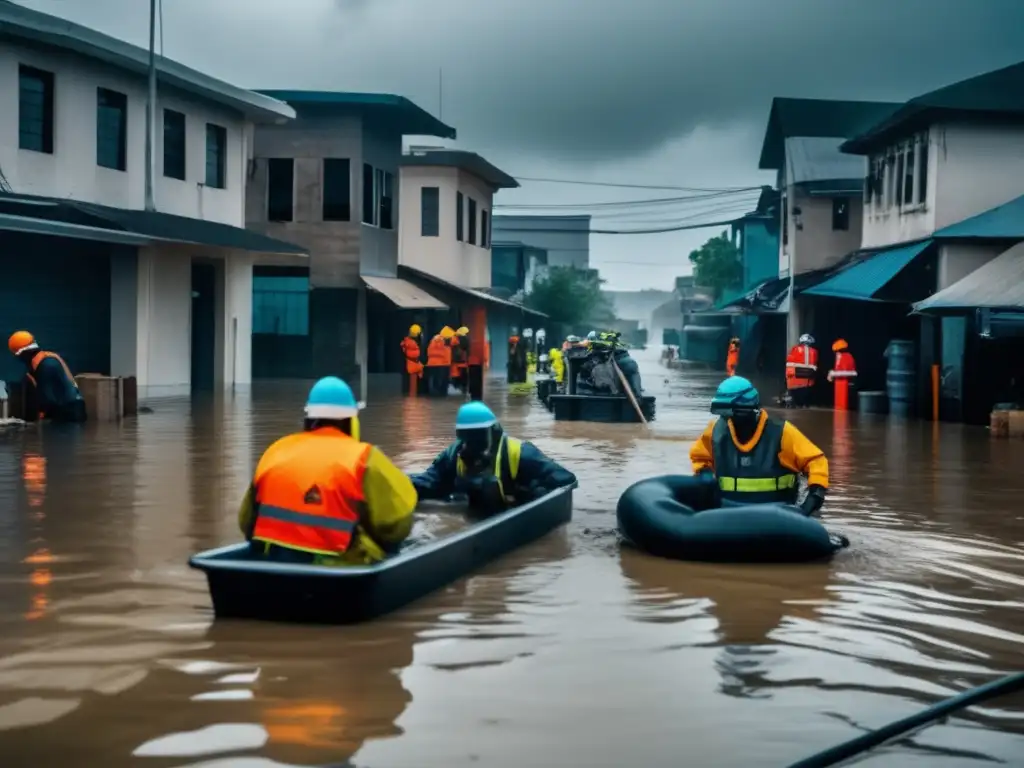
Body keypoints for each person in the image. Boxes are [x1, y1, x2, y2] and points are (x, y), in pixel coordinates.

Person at [238, 377, 417, 566]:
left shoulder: (275, 451)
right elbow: (398, 523)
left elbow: (246, 522)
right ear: (352, 421)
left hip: (273, 561)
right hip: (336, 567)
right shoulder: (363, 457)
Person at [689, 376, 828, 517]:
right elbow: (700, 457)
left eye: (728, 412)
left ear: (745, 409)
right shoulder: (716, 432)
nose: (725, 418)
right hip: (728, 512)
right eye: (722, 413)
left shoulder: (781, 433)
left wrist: (815, 494)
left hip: (778, 515)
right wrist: (703, 473)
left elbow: (815, 461)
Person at [410, 401, 576, 514]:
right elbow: (428, 482)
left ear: (494, 433)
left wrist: (526, 494)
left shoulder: (520, 454)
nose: (472, 443)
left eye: (479, 435)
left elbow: (566, 481)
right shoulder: (453, 456)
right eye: (467, 436)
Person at [8, 331, 87, 423]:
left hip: (68, 413)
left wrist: (39, 421)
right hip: (70, 409)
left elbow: (48, 398)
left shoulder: (45, 366)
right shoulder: (45, 360)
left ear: (23, 354)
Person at [785, 333, 818, 408]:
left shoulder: (795, 349)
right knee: (805, 393)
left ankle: (792, 403)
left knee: (793, 391)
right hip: (809, 377)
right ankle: (804, 404)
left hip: (796, 375)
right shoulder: (814, 351)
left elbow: (789, 362)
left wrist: (788, 375)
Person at [827, 339, 857, 411]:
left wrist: (832, 374)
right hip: (841, 382)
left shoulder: (843, 356)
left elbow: (846, 371)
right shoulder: (849, 356)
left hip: (843, 382)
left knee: (842, 406)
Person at [425, 328, 452, 396]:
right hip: (439, 364)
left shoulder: (441, 340)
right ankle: (438, 393)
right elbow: (431, 352)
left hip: (443, 363)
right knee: (438, 379)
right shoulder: (438, 340)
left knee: (441, 379)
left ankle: (440, 393)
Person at [400, 324, 424, 396]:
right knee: (412, 391)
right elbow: (416, 355)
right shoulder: (412, 344)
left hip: (410, 367)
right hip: (412, 369)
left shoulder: (406, 342)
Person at [450, 326, 470, 392]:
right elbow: (467, 350)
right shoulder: (464, 340)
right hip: (462, 362)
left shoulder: (454, 340)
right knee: (463, 376)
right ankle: (462, 388)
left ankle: (457, 388)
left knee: (456, 376)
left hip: (456, 362)